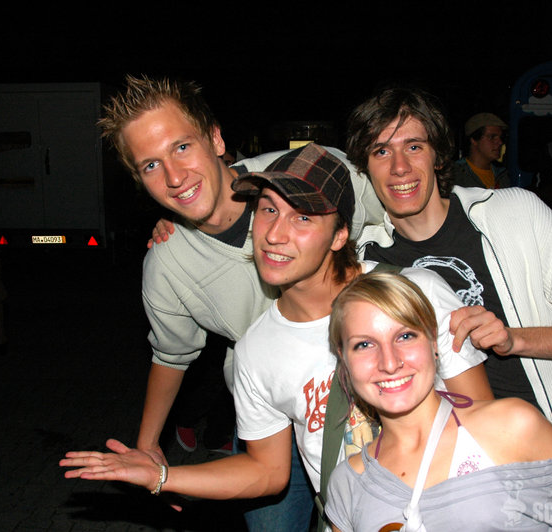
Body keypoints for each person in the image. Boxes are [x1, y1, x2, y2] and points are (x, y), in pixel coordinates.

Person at [60, 144, 489, 527]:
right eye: (268, 210)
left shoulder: (416, 293)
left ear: (340, 235)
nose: (275, 234)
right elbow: (267, 471)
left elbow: (484, 424)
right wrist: (163, 476)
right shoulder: (256, 351)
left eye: (302, 217)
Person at [344, 85, 552, 531]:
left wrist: (515, 338)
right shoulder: (367, 261)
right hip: (473, 489)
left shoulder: (515, 214)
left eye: (414, 146)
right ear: (365, 167)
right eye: (381, 151)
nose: (399, 167)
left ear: (439, 155)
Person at [94, 74, 385, 529]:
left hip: (381, 379)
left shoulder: (301, 175)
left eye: (182, 147)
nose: (174, 177)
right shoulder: (167, 265)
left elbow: (399, 210)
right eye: (150, 165)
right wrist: (148, 448)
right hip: (273, 412)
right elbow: (171, 355)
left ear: (215, 139)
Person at [325, 271, 552, 532]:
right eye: (364, 345)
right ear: (343, 359)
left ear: (434, 343)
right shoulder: (347, 484)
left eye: (405, 336)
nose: (389, 362)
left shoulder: (511, 427)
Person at [449, 112, 510, 189]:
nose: (500, 142)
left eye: (501, 137)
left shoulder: (502, 175)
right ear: (474, 140)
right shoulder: (455, 175)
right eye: (492, 137)